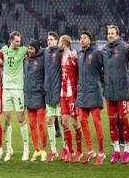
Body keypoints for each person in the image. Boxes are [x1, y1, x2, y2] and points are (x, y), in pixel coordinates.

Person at [102, 25, 129, 165]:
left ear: (117, 34)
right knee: (112, 122)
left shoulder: (125, 47)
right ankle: (116, 151)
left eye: (112, 33)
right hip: (109, 92)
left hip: (122, 91)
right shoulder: (104, 50)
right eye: (108, 33)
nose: (110, 35)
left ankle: (127, 150)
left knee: (124, 121)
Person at [76, 30, 106, 166]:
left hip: (94, 92)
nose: (82, 40)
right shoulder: (79, 54)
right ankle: (90, 150)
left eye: (84, 38)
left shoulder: (97, 53)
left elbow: (104, 70)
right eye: (81, 38)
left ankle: (101, 152)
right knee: (82, 120)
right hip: (82, 93)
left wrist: (101, 84)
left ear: (90, 40)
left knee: (96, 122)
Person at [1, 31, 29, 161]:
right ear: (11, 40)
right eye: (17, 41)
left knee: (21, 118)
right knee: (7, 119)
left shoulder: (23, 50)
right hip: (6, 89)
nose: (19, 43)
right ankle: (9, 149)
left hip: (18, 89)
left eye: (20, 41)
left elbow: (36, 51)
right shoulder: (4, 50)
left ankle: (26, 149)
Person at [59, 34, 82, 163]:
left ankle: (79, 151)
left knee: (75, 123)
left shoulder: (73, 56)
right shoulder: (60, 56)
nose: (58, 44)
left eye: (60, 42)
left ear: (65, 43)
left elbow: (80, 71)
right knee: (64, 122)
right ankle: (70, 151)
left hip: (72, 94)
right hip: (63, 94)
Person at [24, 41, 47, 161]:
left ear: (37, 50)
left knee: (41, 124)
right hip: (29, 97)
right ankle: (37, 150)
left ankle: (44, 150)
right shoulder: (26, 60)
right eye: (29, 48)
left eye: (32, 49)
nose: (29, 50)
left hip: (39, 96)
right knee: (32, 125)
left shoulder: (43, 59)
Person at [44, 31, 62, 162]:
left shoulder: (60, 52)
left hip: (59, 91)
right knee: (50, 121)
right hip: (48, 92)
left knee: (62, 122)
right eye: (48, 39)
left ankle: (66, 149)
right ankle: (53, 150)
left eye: (51, 39)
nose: (49, 41)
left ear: (56, 40)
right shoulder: (45, 52)